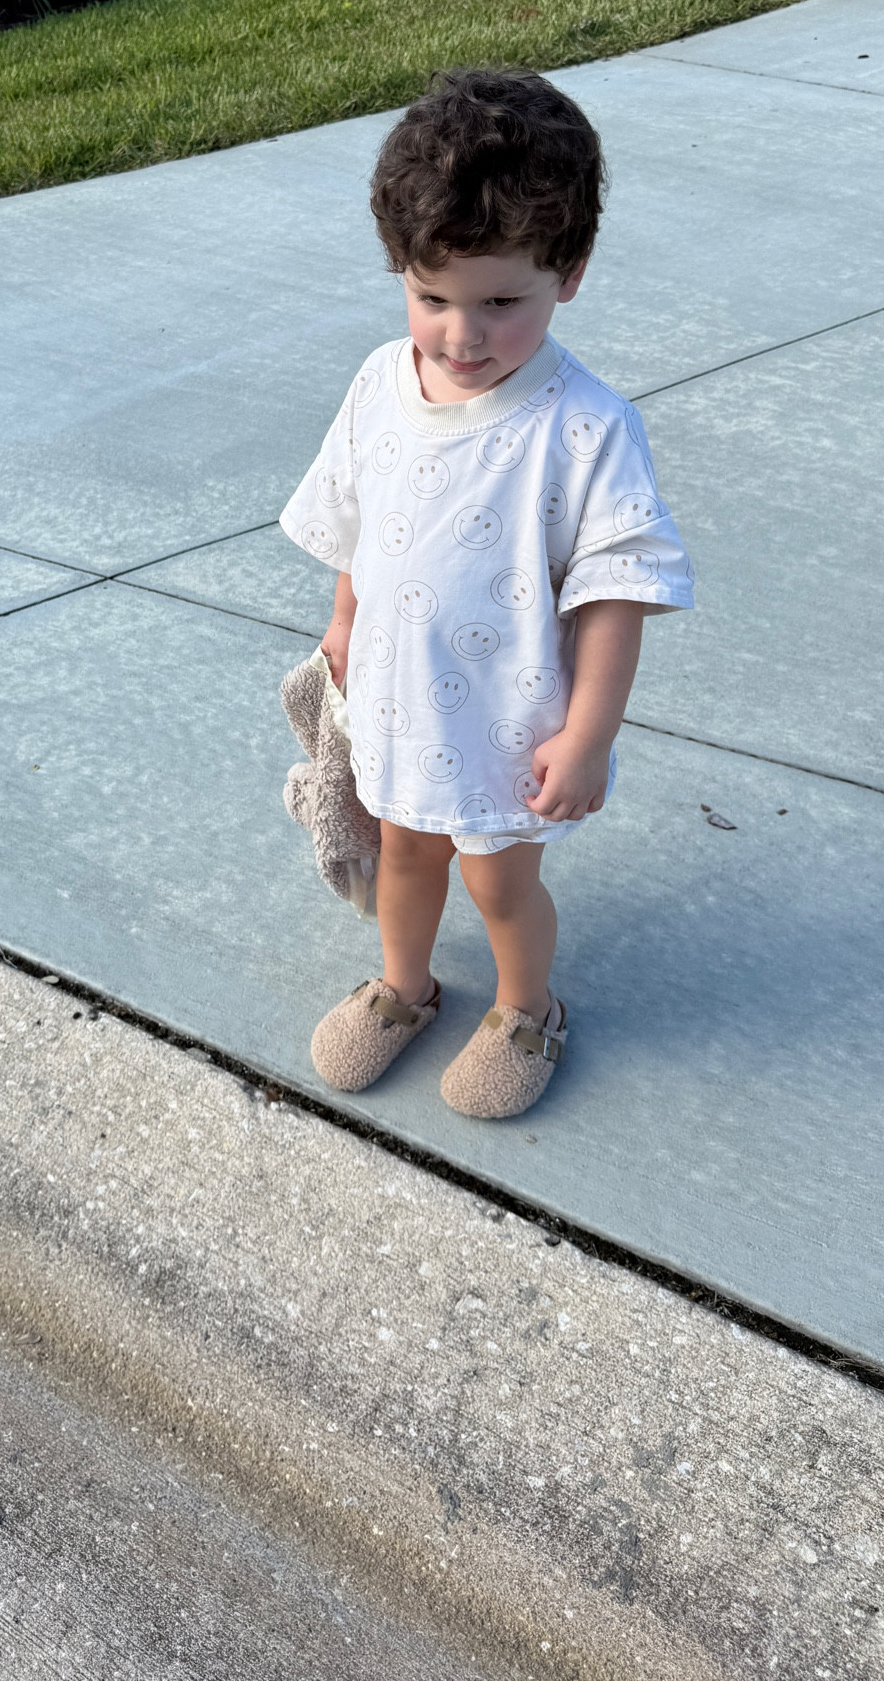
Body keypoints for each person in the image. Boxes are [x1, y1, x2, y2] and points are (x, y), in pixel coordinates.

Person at [279, 69, 693, 1119]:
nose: (462, 335)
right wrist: (341, 627)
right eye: (433, 298)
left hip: (509, 723)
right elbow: (360, 524)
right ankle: (404, 985)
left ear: (570, 272)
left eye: (502, 302)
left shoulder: (586, 427)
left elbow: (616, 595)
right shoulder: (380, 384)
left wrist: (588, 736)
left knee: (500, 882)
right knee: (402, 854)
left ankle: (526, 1008)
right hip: (394, 701)